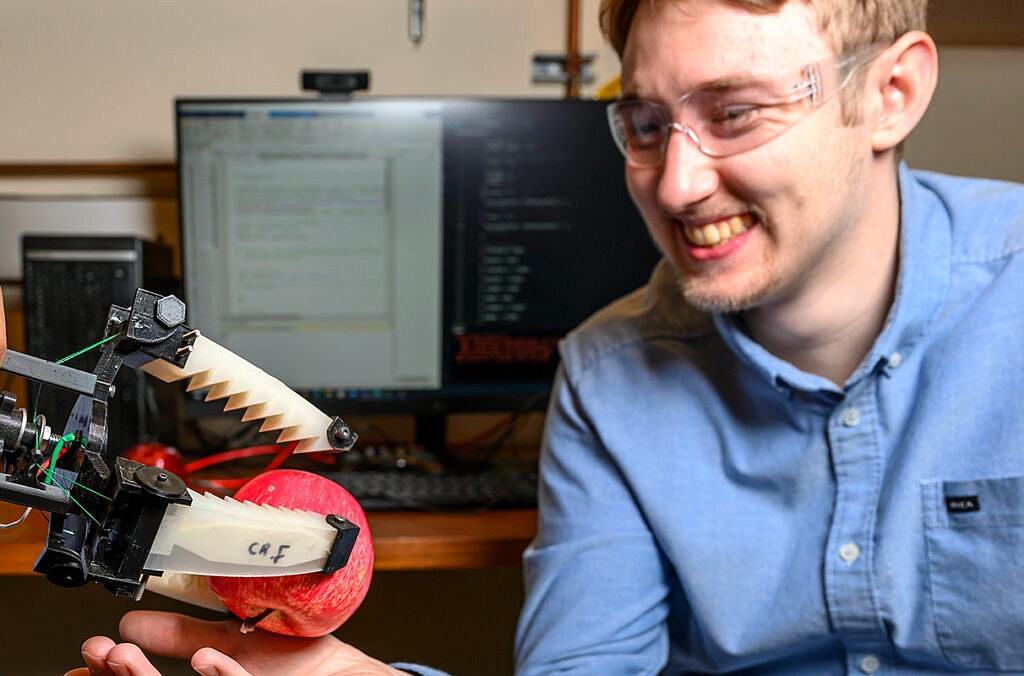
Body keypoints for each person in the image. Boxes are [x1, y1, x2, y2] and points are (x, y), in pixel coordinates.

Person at [61, 0, 1024, 672]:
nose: (676, 184)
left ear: (891, 93)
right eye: (645, 124)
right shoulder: (611, 375)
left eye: (735, 113)